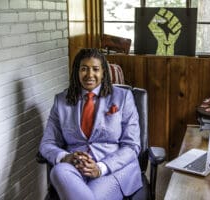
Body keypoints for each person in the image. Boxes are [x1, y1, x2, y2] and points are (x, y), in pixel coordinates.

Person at [39, 48, 142, 200]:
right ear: (77, 72)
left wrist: (100, 168)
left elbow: (132, 146)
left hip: (111, 169)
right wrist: (66, 157)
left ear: (103, 73)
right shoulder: (61, 101)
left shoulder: (123, 97)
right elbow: (47, 144)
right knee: (58, 171)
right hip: (74, 169)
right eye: (84, 69)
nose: (89, 75)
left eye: (95, 69)